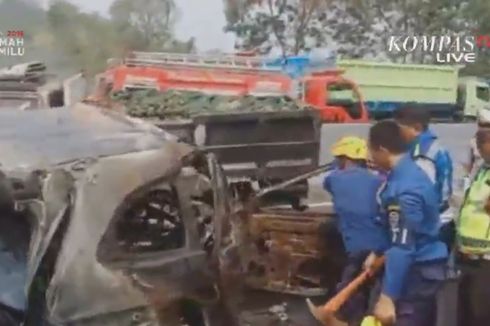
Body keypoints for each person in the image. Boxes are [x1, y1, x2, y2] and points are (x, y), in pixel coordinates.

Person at [367, 121, 448, 326]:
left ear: (383, 150)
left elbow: (402, 246)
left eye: (371, 150)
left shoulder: (403, 189)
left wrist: (388, 297)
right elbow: (391, 227)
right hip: (417, 265)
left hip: (416, 271)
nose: (369, 157)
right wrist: (377, 252)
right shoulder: (409, 174)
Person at [313, 136, 389, 326]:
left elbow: (329, 182)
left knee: (351, 284)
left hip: (356, 243)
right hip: (381, 242)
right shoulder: (376, 181)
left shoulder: (334, 179)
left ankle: (343, 318)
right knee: (375, 284)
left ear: (343, 159)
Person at [393, 105, 454, 251]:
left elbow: (422, 194)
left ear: (416, 128)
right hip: (437, 221)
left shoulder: (423, 154)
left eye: (399, 128)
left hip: (432, 226)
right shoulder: (434, 147)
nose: (396, 133)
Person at [456, 128, 490, 326]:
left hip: (486, 259)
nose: (478, 145)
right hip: (468, 255)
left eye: (484, 140)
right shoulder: (482, 169)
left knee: (481, 316)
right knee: (467, 315)